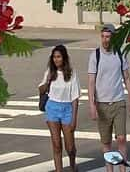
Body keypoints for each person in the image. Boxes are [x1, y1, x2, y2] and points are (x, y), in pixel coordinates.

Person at [87, 23, 130, 169]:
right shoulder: (95, 56)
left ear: (113, 38)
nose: (105, 40)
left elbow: (126, 77)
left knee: (121, 138)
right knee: (106, 142)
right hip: (102, 104)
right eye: (103, 36)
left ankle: (122, 169)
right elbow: (91, 81)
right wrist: (92, 105)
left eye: (108, 37)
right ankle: (109, 169)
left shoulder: (120, 54)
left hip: (118, 102)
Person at [40, 44, 79, 172]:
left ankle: (73, 165)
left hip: (67, 109)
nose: (56, 60)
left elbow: (75, 98)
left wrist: (73, 119)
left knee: (70, 147)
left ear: (64, 58)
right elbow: (41, 89)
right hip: (52, 108)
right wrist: (48, 81)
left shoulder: (72, 74)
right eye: (54, 57)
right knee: (56, 145)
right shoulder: (50, 72)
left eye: (59, 57)